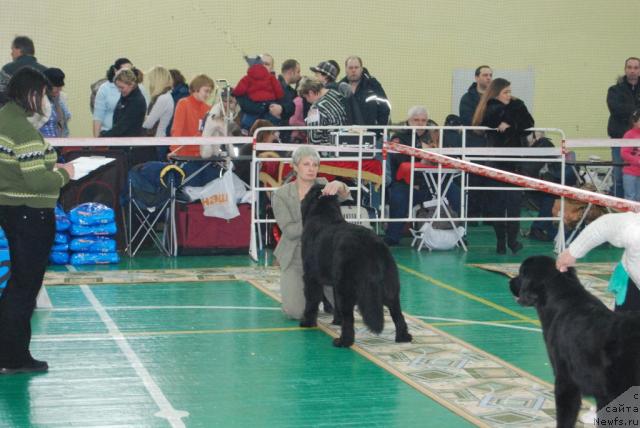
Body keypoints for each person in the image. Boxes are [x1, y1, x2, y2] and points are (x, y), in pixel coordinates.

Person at [0, 67, 74, 374]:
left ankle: (11, 353)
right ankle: (14, 357)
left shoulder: (6, 118)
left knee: (18, 284)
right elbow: (37, 181)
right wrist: (64, 174)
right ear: (32, 94)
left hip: (11, 208)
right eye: (43, 94)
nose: (46, 100)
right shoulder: (23, 130)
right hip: (31, 213)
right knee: (25, 287)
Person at [271, 146, 351, 319]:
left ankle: (324, 293)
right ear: (294, 166)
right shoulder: (281, 195)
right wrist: (317, 219)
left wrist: (339, 184)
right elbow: (290, 230)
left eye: (315, 165)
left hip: (326, 256)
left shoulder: (324, 186)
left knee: (346, 309)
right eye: (306, 164)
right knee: (296, 313)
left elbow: (345, 195)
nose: (311, 168)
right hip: (295, 257)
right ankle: (316, 291)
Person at [472, 77, 534, 254]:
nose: (509, 95)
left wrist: (511, 121)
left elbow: (528, 123)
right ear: (496, 93)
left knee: (514, 204)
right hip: (498, 162)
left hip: (514, 162)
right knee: (499, 205)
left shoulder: (515, 106)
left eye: (510, 92)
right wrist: (508, 122)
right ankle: (501, 241)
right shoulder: (490, 108)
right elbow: (488, 120)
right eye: (505, 92)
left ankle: (513, 241)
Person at [384, 106, 459, 246]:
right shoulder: (399, 137)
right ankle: (393, 236)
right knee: (398, 196)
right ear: (409, 121)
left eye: (423, 120)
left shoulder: (435, 135)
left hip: (432, 183)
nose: (420, 123)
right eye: (416, 120)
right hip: (406, 184)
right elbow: (400, 162)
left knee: (455, 192)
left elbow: (448, 155)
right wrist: (422, 158)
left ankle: (459, 232)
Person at [557, 212, 640, 312]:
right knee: (625, 324)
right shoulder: (633, 229)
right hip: (632, 278)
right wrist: (572, 252)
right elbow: (603, 226)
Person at [459, 65, 493, 220]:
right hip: (474, 144)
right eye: (485, 75)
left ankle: (488, 214)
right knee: (473, 178)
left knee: (491, 178)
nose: (488, 78)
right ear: (476, 77)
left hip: (492, 145)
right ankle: (471, 214)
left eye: (490, 75)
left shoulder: (496, 98)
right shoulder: (467, 98)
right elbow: (468, 121)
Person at [607, 57, 640, 198]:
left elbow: (622, 109)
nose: (632, 70)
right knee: (619, 177)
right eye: (629, 67)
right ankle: (618, 212)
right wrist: (636, 110)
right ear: (625, 69)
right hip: (619, 140)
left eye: (636, 68)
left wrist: (630, 110)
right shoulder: (614, 90)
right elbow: (616, 109)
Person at [233, 56, 284, 131]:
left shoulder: (247, 78)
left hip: (254, 103)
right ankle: (275, 133)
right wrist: (279, 97)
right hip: (269, 104)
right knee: (271, 122)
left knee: (248, 121)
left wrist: (234, 92)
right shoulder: (271, 77)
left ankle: (245, 131)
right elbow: (279, 91)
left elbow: (240, 89)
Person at [340, 56, 390, 127]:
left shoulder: (373, 85)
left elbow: (385, 107)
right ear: (346, 69)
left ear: (361, 69)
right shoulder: (339, 88)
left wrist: (378, 131)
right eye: (350, 68)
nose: (353, 70)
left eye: (356, 67)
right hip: (345, 134)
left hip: (370, 134)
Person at [297, 77, 348, 145]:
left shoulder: (315, 109)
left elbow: (313, 139)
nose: (307, 101)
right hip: (346, 143)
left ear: (311, 93)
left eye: (305, 97)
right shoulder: (337, 94)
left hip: (328, 150)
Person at [0, 36, 47, 107]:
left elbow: (1, 93)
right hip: (38, 114)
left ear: (19, 50)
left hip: (13, 113)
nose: (11, 53)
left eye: (12, 49)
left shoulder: (8, 69)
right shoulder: (46, 71)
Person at [92, 58, 133, 137]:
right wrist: (96, 141)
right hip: (108, 134)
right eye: (124, 71)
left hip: (129, 136)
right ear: (115, 70)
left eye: (130, 71)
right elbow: (98, 117)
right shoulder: (104, 88)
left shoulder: (137, 89)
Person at [40, 67, 71, 139]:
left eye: (60, 87)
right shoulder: (37, 100)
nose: (59, 90)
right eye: (56, 87)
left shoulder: (60, 98)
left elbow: (64, 120)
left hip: (60, 141)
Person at [621, 109, 640, 201]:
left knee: (638, 198)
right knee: (630, 197)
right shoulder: (628, 134)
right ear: (634, 121)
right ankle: (628, 215)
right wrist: (637, 161)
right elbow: (624, 153)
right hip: (630, 172)